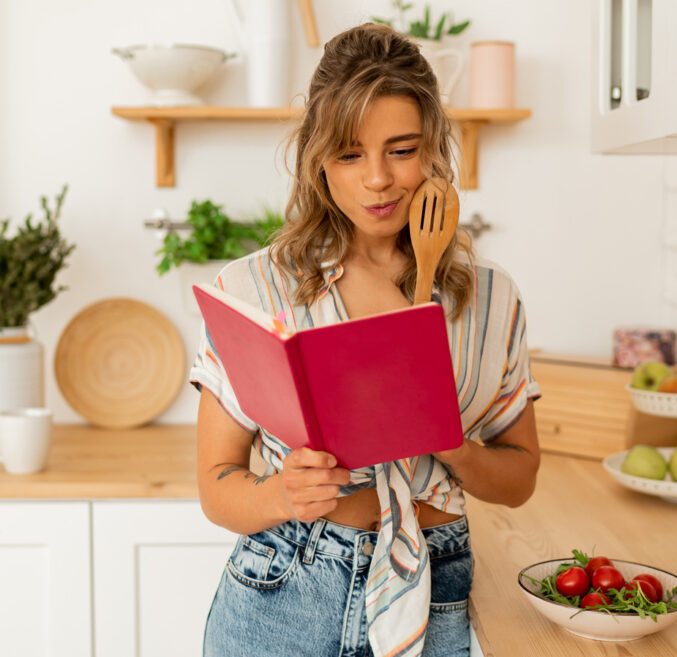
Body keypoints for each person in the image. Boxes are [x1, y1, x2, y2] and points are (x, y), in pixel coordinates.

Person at [189, 22, 541, 657]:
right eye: (350, 154)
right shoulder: (252, 288)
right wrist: (279, 493)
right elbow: (217, 486)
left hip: (436, 587)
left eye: (401, 150)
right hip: (284, 588)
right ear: (319, 161)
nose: (378, 179)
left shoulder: (491, 299)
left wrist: (451, 446)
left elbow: (519, 479)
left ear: (435, 150)